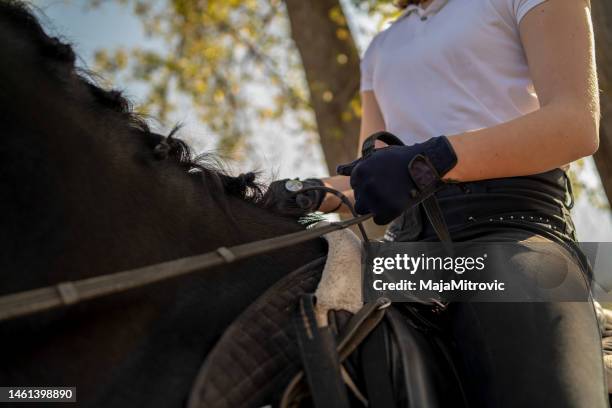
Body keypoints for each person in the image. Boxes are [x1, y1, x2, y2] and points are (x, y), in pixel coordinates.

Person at [265, 0, 608, 406]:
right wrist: (309, 190)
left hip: (514, 231)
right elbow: (370, 180)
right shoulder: (381, 48)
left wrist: (430, 161)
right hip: (409, 254)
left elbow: (574, 124)